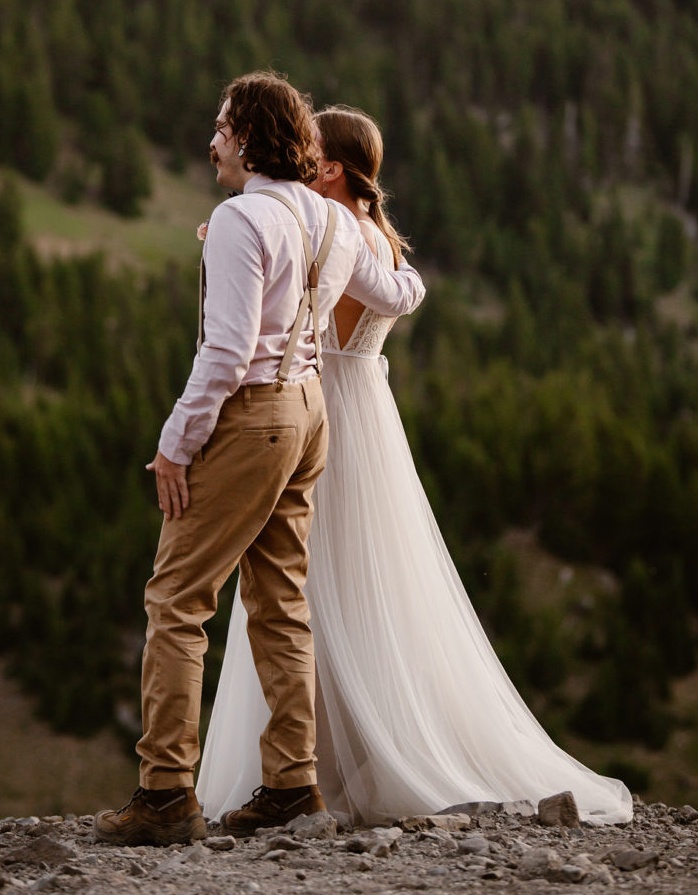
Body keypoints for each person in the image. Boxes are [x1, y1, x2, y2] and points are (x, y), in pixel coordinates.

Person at [197, 105, 633, 829]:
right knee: (348, 585)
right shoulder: (378, 238)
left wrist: (241, 251)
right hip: (366, 407)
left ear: (330, 168)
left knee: (304, 581)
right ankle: (328, 761)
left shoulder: (331, 237)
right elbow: (399, 293)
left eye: (308, 154)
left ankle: (315, 769)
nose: (297, 164)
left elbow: (293, 311)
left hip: (322, 402)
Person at [93, 75, 426, 847]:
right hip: (311, 413)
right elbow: (394, 292)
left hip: (251, 418)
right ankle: (288, 784)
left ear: (246, 137)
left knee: (176, 598)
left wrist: (174, 444)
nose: (210, 141)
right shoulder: (332, 220)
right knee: (279, 601)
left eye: (218, 127)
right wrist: (379, 229)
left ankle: (166, 793)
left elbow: (226, 352)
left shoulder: (242, 219)